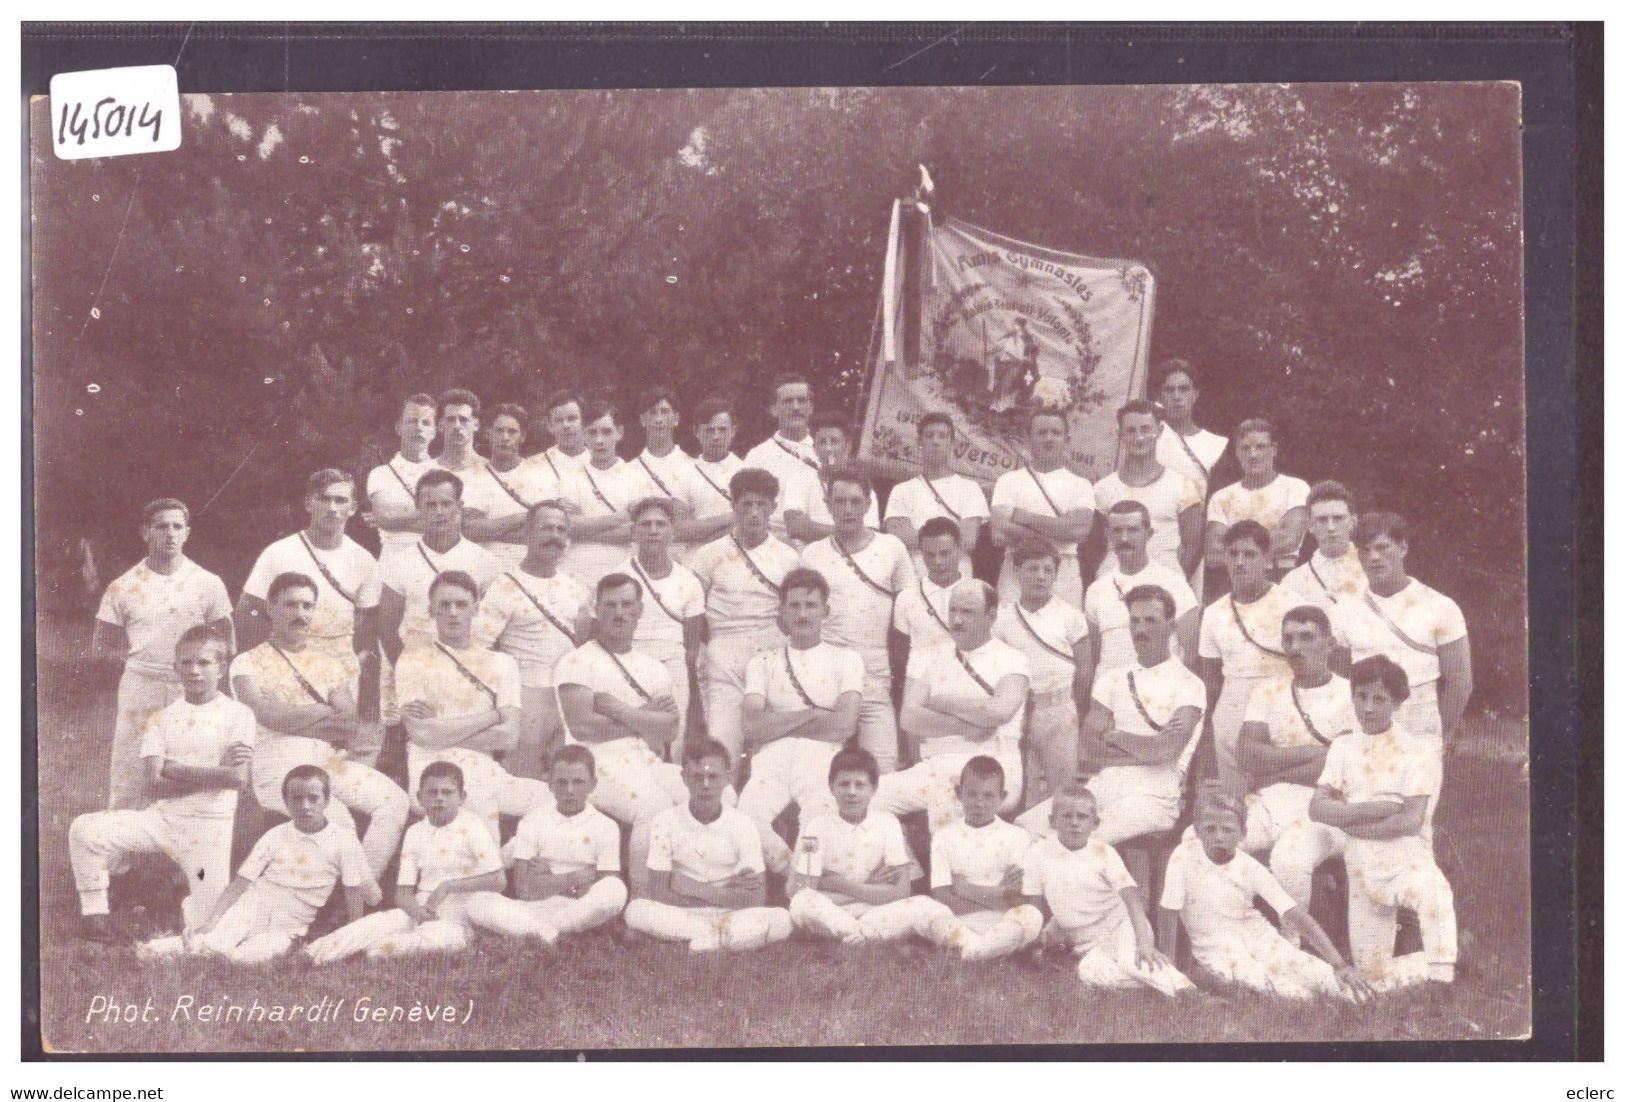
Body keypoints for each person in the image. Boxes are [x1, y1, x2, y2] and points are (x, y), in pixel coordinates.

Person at [70, 627, 253, 942]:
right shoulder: (162, 717)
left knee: (209, 928)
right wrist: (214, 772)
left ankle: (175, 907)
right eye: (186, 663)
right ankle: (96, 920)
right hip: (162, 820)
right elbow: (153, 786)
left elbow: (237, 778)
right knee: (85, 830)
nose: (194, 670)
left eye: (204, 662)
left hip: (209, 830)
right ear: (175, 668)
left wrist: (173, 768)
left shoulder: (238, 714)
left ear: (221, 668)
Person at [230, 572, 408, 882]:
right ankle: (346, 894)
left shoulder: (325, 663)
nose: (300, 614)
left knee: (394, 801)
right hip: (277, 766)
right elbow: (263, 715)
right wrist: (321, 710)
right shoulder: (246, 663)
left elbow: (348, 722)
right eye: (290, 605)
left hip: (326, 762)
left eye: (307, 606)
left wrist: (288, 715)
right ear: (270, 608)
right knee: (339, 824)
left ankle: (361, 888)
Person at [1020, 586, 1205, 870]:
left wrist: (1115, 736)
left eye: (1150, 620)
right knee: (1026, 826)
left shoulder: (1190, 684)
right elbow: (1091, 749)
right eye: (1135, 620)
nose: (1140, 629)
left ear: (1170, 627)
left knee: (1082, 838)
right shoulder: (1113, 678)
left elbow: (1166, 752)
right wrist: (1147, 748)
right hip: (1104, 785)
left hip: (1155, 794)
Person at [1309, 656, 1458, 988]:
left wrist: (1348, 819)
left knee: (1436, 894)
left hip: (1405, 858)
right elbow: (1317, 809)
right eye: (1361, 696)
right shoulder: (1343, 746)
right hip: (1361, 866)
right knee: (1371, 978)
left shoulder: (1418, 750)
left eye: (1379, 699)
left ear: (1398, 702)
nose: (1368, 708)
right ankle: (1438, 962)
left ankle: (1442, 977)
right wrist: (1376, 808)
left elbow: (1409, 822)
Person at [142, 765, 380, 963]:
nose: (305, 806)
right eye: (296, 798)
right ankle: (161, 949)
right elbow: (241, 882)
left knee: (242, 960)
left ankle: (180, 949)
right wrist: (214, 920)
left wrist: (352, 933)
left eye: (313, 798)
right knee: (214, 943)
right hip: (255, 904)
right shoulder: (276, 835)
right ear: (286, 802)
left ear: (327, 801)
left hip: (289, 923)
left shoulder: (343, 839)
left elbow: (353, 890)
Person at [91, 498, 234, 810]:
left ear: (187, 533)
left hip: (193, 685)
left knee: (194, 760)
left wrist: (204, 679)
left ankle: (190, 846)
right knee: (131, 766)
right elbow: (102, 646)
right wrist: (139, 670)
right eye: (161, 526)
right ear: (146, 532)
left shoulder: (208, 583)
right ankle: (120, 852)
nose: (170, 533)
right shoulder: (123, 586)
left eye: (177, 526)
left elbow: (226, 643)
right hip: (142, 684)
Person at [1157, 795, 1372, 1001]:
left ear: (1242, 833)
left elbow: (1294, 914)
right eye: (1210, 829)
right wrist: (1169, 971)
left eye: (1227, 830)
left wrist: (1338, 964)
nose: (1219, 836)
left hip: (1259, 937)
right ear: (1197, 831)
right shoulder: (1183, 856)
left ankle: (1362, 994)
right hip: (1217, 946)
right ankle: (1290, 997)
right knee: (1282, 990)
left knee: (1324, 978)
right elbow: (1169, 912)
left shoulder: (1249, 866)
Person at [553, 573, 687, 896]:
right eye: (610, 605)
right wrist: (645, 716)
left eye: (628, 605)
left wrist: (618, 709)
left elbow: (669, 729)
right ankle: (643, 900)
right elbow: (583, 727)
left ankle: (694, 886)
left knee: (715, 795)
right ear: (597, 609)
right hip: (596, 763)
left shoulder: (654, 666)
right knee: (653, 808)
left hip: (645, 760)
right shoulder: (577, 660)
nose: (619, 612)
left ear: (640, 610)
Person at [394, 571, 553, 840]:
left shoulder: (502, 663)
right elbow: (422, 735)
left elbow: (508, 738)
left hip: (487, 768)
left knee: (555, 801)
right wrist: (492, 716)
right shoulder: (413, 661)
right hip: (433, 771)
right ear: (431, 610)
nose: (453, 613)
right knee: (479, 799)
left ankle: (504, 864)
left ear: (476, 609)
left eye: (461, 604)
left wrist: (441, 728)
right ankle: (489, 876)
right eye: (444, 605)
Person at [303, 761, 506, 961]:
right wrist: (418, 913)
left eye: (447, 792)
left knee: (421, 942)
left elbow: (498, 881)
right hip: (420, 909)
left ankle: (377, 951)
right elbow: (403, 893)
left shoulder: (472, 826)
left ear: (461, 797)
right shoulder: (415, 832)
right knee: (374, 923)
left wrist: (448, 886)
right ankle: (311, 954)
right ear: (419, 798)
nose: (439, 799)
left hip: (458, 915)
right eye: (432, 792)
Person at [735, 568, 864, 874]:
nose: (803, 614)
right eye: (794, 606)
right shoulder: (762, 661)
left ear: (825, 611)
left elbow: (844, 725)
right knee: (746, 820)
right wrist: (811, 714)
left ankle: (801, 884)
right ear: (782, 611)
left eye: (810, 606)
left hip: (822, 757)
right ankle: (794, 874)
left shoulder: (846, 659)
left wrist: (776, 721)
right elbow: (752, 726)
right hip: (771, 759)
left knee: (816, 826)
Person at [874, 580, 1029, 831]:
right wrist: (966, 726)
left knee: (945, 799)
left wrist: (939, 701)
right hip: (936, 764)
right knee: (871, 797)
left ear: (991, 616)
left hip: (993, 767)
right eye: (953, 611)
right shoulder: (929, 656)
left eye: (967, 612)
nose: (956, 620)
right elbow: (909, 717)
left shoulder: (1013, 659)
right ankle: (909, 869)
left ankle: (948, 870)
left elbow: (1000, 711)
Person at [1234, 605, 1358, 913]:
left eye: (1306, 637)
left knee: (1288, 858)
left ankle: (1292, 941)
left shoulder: (1352, 694)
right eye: (1288, 639)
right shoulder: (1268, 691)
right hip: (1269, 802)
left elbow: (1341, 769)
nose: (1295, 647)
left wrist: (1275, 771)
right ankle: (1230, 928)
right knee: (1205, 838)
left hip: (1328, 808)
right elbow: (1247, 755)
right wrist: (1313, 753)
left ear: (1330, 644)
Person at [1020, 785, 1194, 996]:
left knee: (1131, 960)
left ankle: (1185, 989)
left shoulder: (1103, 853)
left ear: (1095, 824)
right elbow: (1035, 907)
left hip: (1122, 927)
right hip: (1089, 943)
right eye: (1067, 816)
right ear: (1052, 821)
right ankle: (1150, 987)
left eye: (1082, 817)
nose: (1074, 823)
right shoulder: (1038, 854)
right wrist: (1036, 942)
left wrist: (1144, 943)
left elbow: (1132, 900)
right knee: (1088, 973)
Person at [623, 738, 794, 952]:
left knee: (782, 918)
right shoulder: (664, 821)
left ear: (727, 778)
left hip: (727, 913)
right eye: (697, 777)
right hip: (682, 912)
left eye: (713, 777)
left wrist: (695, 888)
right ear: (683, 778)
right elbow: (659, 893)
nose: (705, 785)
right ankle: (719, 937)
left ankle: (701, 938)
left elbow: (755, 898)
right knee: (637, 910)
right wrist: (728, 893)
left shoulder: (743, 824)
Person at [799, 473, 915, 773]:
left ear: (868, 504)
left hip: (874, 671)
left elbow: (907, 611)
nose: (848, 509)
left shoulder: (892, 548)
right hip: (826, 671)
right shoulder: (811, 554)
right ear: (827, 504)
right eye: (839, 501)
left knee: (883, 765)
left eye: (855, 501)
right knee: (818, 766)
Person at [688, 469, 802, 772]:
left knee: (770, 749)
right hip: (723, 650)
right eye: (747, 504)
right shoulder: (708, 554)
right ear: (733, 505)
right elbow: (693, 609)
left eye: (762, 505)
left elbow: (792, 612)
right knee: (723, 742)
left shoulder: (788, 557)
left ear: (773, 508)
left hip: (770, 651)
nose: (754, 513)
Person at [472, 501, 595, 778]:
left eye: (560, 530)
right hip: (525, 695)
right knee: (522, 777)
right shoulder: (504, 587)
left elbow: (583, 644)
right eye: (545, 528)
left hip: (566, 694)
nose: (554, 536)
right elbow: (480, 650)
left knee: (564, 776)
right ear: (527, 533)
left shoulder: (576, 586)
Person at [462, 745, 629, 944]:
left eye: (578, 782)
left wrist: (549, 880)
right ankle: (551, 932)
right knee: (477, 901)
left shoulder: (606, 826)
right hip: (534, 909)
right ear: (549, 784)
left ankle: (542, 932)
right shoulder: (533, 820)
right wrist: (576, 877)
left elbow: (602, 885)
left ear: (592, 784)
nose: (569, 790)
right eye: (561, 782)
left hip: (582, 908)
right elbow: (524, 890)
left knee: (615, 888)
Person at [376, 469, 501, 722]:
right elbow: (387, 629)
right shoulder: (398, 562)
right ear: (418, 507)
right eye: (430, 504)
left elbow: (491, 628)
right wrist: (411, 674)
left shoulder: (484, 561)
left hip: (468, 673)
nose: (439, 512)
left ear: (460, 506)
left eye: (446, 503)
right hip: (415, 671)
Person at [1337, 511, 1472, 745]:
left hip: (1421, 726)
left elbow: (1460, 683)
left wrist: (1438, 735)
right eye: (1366, 550)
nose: (1374, 557)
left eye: (1382, 547)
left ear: (1403, 548)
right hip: (1365, 726)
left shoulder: (1440, 606)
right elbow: (1339, 677)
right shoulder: (1345, 608)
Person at [787, 745, 939, 945]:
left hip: (873, 910)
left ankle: (849, 935)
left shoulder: (887, 823)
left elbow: (901, 892)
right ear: (831, 787)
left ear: (873, 789)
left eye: (860, 785)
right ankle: (862, 935)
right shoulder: (816, 827)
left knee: (922, 904)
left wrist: (838, 884)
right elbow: (803, 890)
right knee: (803, 903)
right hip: (832, 910)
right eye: (844, 784)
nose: (851, 792)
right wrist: (870, 887)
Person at [236, 469, 381, 664]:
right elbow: (249, 610)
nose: (332, 507)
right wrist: (265, 661)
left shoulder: (363, 560)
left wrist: (355, 665)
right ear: (308, 504)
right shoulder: (279, 552)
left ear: (353, 507)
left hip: (340, 662)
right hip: (289, 660)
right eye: (323, 499)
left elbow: (368, 625)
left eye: (340, 500)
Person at [1198, 520, 1297, 795]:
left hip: (1277, 702)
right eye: (1233, 553)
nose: (1240, 562)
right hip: (1230, 706)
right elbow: (1210, 680)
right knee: (1234, 795)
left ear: (1267, 560)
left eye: (1250, 554)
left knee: (1276, 790)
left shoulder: (1292, 603)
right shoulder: (1214, 612)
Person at [992, 541, 1089, 810]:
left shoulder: (1070, 616)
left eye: (1048, 570)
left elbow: (1084, 669)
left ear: (1056, 575)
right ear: (1017, 571)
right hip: (1018, 711)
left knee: (1063, 788)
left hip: (1059, 710)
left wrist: (1074, 709)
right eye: (1032, 569)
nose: (1041, 576)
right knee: (1020, 787)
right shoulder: (1002, 618)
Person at [919, 756, 1044, 961]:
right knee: (926, 911)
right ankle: (988, 950)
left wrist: (964, 889)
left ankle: (972, 952)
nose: (979, 803)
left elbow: (1016, 898)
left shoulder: (1017, 836)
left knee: (1031, 914)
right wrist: (998, 893)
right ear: (959, 794)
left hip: (1003, 921)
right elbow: (943, 897)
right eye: (972, 794)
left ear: (1002, 797)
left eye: (988, 796)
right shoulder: (944, 836)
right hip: (960, 920)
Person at [1082, 500, 1199, 692]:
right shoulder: (1096, 589)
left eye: (1133, 530)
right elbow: (1094, 655)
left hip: (1158, 694)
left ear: (1149, 534)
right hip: (1110, 696)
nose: (1124, 538)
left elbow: (1192, 655)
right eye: (1117, 531)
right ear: (1108, 535)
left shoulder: (1174, 583)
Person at [619, 498, 706, 750]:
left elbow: (691, 642)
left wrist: (674, 671)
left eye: (661, 524)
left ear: (672, 531)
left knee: (673, 741)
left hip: (672, 665)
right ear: (634, 531)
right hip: (628, 661)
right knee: (630, 740)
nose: (653, 530)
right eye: (645, 524)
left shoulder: (688, 580)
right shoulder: (617, 576)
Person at [990, 408, 1096, 607]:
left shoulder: (1081, 484)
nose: (1049, 438)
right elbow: (999, 534)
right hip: (1016, 570)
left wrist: (1021, 516)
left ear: (1067, 440)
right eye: (1041, 432)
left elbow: (1079, 531)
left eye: (1056, 433)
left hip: (1063, 571)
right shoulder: (1008, 481)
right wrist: (1060, 530)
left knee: (1062, 634)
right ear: (1028, 439)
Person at [1092, 399, 1203, 582]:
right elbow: (1095, 548)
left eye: (1145, 429)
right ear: (1120, 435)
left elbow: (1192, 547)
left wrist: (1169, 578)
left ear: (1158, 431)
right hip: (1114, 583)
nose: (1139, 438)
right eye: (1131, 430)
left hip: (1164, 585)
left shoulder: (1184, 487)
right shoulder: (1102, 489)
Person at [882, 412, 989, 579]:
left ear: (953, 444)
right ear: (920, 443)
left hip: (958, 579)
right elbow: (897, 539)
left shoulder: (970, 488)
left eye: (942, 436)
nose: (935, 441)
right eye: (929, 436)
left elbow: (968, 540)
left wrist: (917, 536)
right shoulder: (901, 490)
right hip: (912, 577)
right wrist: (951, 536)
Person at [1204, 418, 1309, 586]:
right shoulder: (1222, 497)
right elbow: (1212, 552)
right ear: (1237, 452)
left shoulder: (1295, 488)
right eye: (1246, 448)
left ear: (1273, 449)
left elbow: (1289, 539)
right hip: (1236, 581)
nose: (1253, 455)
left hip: (1281, 576)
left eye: (1260, 447)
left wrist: (1237, 552)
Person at [556, 400, 646, 590]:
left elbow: (635, 531)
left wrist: (584, 527)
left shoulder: (637, 477)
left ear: (619, 433)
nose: (599, 440)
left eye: (606, 432)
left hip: (621, 569)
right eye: (592, 432)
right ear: (584, 435)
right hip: (576, 571)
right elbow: (568, 527)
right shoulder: (570, 477)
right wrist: (622, 516)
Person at [461, 402, 560, 571]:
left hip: (530, 569)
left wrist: (490, 527)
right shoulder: (472, 477)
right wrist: (524, 518)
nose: (505, 437)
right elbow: (470, 530)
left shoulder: (540, 476)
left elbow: (547, 533)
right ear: (488, 434)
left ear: (522, 436)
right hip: (482, 568)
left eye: (512, 431)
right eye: (499, 431)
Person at [742, 374, 820, 543]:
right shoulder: (757, 457)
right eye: (788, 401)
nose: (796, 407)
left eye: (802, 400)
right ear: (774, 409)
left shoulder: (825, 453)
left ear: (811, 407)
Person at [782, 411, 880, 546]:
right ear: (815, 448)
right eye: (822, 442)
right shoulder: (800, 481)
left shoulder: (862, 486)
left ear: (847, 446)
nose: (828, 449)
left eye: (834, 442)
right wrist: (850, 531)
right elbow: (795, 527)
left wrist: (814, 528)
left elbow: (871, 535)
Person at [365, 392, 439, 560]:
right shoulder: (380, 474)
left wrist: (395, 520)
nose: (419, 427)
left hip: (434, 559)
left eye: (425, 423)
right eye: (412, 421)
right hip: (393, 560)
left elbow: (453, 524)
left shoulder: (444, 473)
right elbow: (384, 518)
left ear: (434, 432)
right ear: (398, 427)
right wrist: (434, 516)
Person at [1281, 480, 1366, 611]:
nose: (1330, 527)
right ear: (1310, 525)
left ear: (1353, 521)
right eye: (1322, 520)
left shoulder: (1372, 569)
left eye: (1338, 518)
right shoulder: (1293, 581)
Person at [674, 397, 745, 552]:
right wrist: (733, 517)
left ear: (733, 430)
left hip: (736, 556)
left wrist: (704, 532)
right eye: (709, 430)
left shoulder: (746, 471)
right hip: (696, 558)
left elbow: (750, 523)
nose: (716, 437)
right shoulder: (684, 473)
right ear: (696, 432)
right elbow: (679, 531)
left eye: (722, 430)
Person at [630, 387, 697, 551]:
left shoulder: (694, 467)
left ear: (676, 418)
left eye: (665, 412)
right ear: (642, 420)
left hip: (681, 559)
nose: (659, 419)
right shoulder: (628, 470)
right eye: (653, 413)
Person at [1152, 359, 1229, 502]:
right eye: (1169, 390)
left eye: (1184, 389)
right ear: (1160, 396)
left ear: (1195, 394)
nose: (1176, 397)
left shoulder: (1216, 445)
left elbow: (1216, 504)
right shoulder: (1148, 439)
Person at [890, 517, 964, 659]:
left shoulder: (978, 594)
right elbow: (900, 652)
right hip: (921, 677)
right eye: (930, 555)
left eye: (945, 553)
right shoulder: (907, 597)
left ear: (959, 550)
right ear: (922, 554)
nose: (937, 561)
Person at [531, 390, 590, 484]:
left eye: (572, 418)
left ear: (585, 422)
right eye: (559, 420)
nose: (566, 425)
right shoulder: (534, 466)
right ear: (550, 426)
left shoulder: (600, 462)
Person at [432, 388, 486, 478]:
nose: (457, 426)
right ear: (441, 425)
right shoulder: (427, 471)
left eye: (463, 419)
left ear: (476, 425)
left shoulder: (491, 471)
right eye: (450, 420)